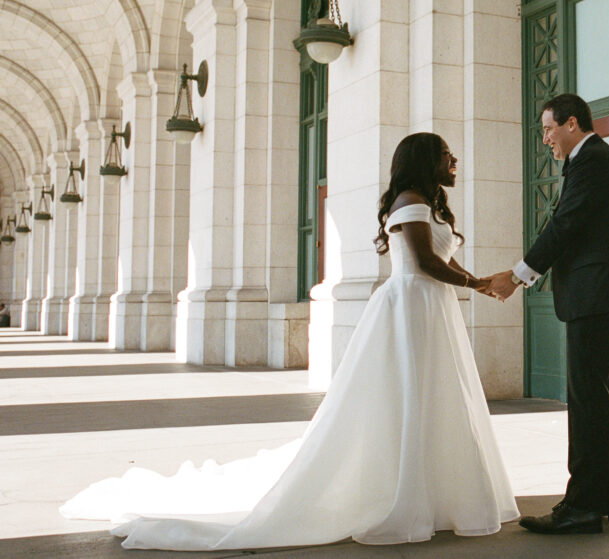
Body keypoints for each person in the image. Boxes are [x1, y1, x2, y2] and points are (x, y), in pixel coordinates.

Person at [61, 132, 519, 550]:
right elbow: (424, 261)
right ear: (424, 161)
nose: (454, 161)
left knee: (432, 397)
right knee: (411, 397)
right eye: (445, 156)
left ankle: (434, 492)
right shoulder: (411, 201)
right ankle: (408, 492)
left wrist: (477, 281)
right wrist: (479, 283)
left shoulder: (424, 202)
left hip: (428, 306)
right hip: (413, 307)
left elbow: (440, 261)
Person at [487, 93, 609, 535]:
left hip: (596, 296)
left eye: (547, 129)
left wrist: (518, 275)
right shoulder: (593, 160)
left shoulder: (591, 160)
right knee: (607, 392)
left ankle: (582, 506)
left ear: (571, 123)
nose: (545, 140)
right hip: (604, 294)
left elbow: (564, 223)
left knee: (588, 397)